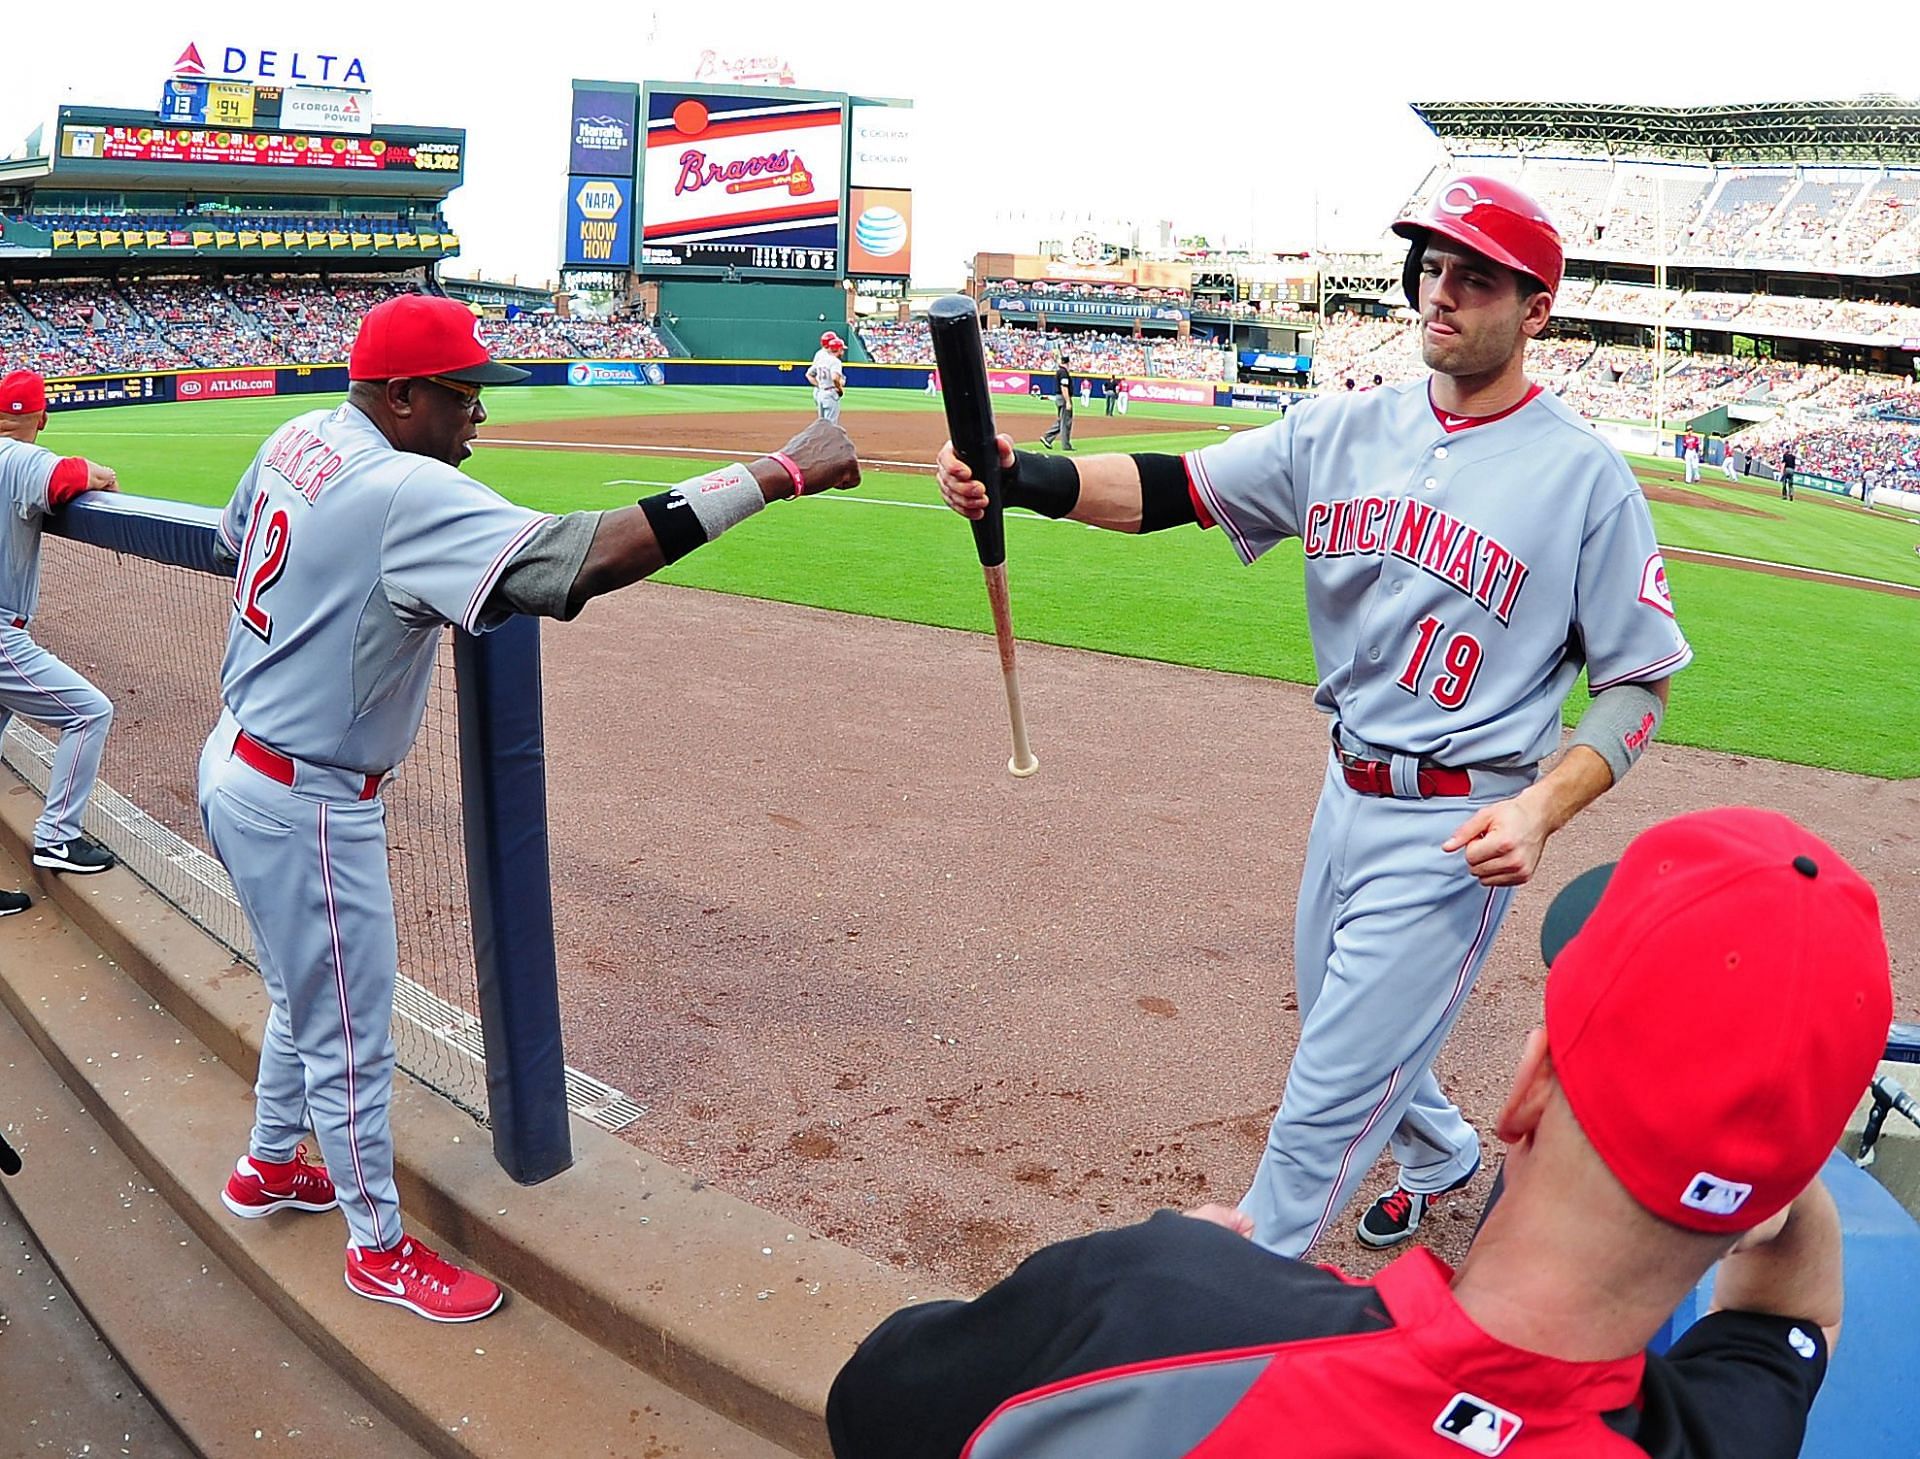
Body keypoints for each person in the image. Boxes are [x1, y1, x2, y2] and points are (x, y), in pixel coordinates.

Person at [937, 177, 1691, 1257]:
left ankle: (1232, 1289)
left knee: (1324, 1101)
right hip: (1344, 794)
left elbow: (1637, 684)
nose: (1442, 294)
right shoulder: (1342, 429)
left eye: (1476, 279)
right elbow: (1174, 488)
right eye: (1432, 269)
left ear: (1536, 310)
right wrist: (1026, 477)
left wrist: (1543, 810)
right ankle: (1443, 1159)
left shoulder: (1587, 481)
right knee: (1348, 1013)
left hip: (1460, 827)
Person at [828, 807, 1891, 1459]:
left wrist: (1170, 1268)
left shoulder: (1161, 1311)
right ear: (1769, 1198)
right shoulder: (1715, 1437)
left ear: (1522, 1093)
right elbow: (1793, 1328)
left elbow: (872, 1404)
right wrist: (1759, 1184)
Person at [202, 295, 861, 1324]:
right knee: (350, 1031)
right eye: (464, 397)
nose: (479, 418)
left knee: (305, 990)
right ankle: (376, 1248)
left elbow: (233, 539)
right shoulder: (402, 488)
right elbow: (582, 559)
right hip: (308, 803)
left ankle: (270, 1163)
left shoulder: (299, 434)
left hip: (238, 761)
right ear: (404, 395)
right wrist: (775, 473)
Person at [0, 369, 123, 911]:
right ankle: (56, 838)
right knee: (88, 712)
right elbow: (68, 476)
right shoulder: (19, 458)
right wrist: (104, 471)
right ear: (42, 418)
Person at [809, 332, 848, 423]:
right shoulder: (833, 360)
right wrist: (839, 389)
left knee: (822, 422)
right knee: (831, 423)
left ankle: (821, 436)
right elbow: (834, 378)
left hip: (821, 391)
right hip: (830, 391)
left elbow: (809, 374)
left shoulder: (820, 355)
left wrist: (820, 385)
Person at [1041, 355, 1075, 450]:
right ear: (1067, 363)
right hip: (1063, 398)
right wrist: (1068, 401)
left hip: (1059, 398)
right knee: (1066, 422)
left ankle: (1047, 438)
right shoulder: (1063, 373)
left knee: (1061, 420)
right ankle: (1065, 445)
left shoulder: (1059, 372)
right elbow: (1064, 387)